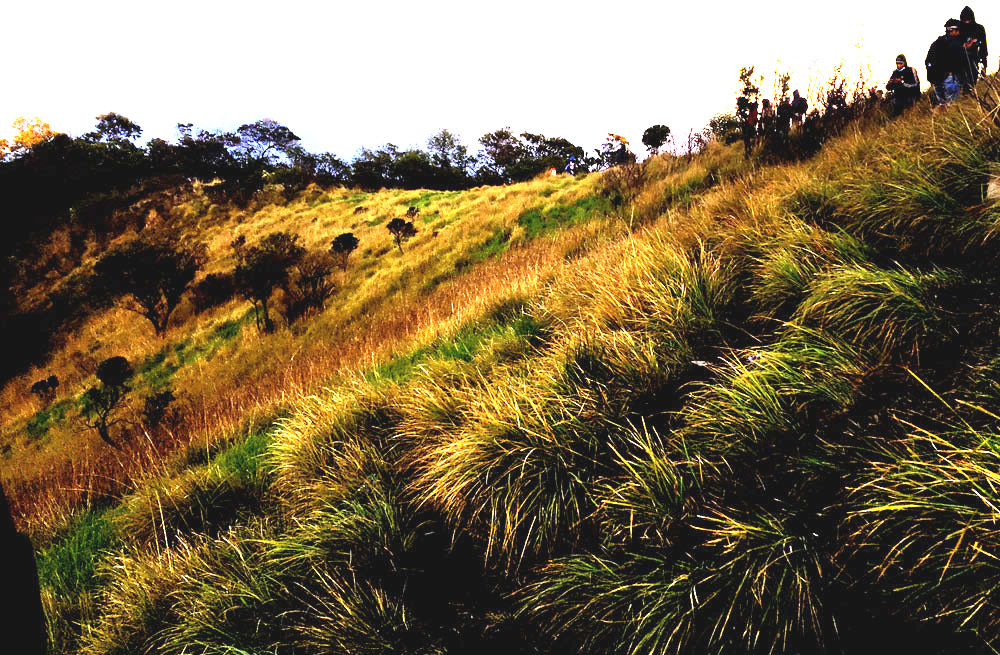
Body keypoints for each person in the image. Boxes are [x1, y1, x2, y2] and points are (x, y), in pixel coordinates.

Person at [926, 19, 967, 105]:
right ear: (953, 30)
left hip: (936, 79)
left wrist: (932, 79)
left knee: (942, 104)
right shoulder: (956, 43)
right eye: (958, 30)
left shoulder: (936, 43)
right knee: (951, 104)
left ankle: (942, 118)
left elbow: (928, 61)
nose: (959, 33)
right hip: (950, 78)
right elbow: (959, 61)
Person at [960, 6, 988, 85]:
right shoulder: (959, 30)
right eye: (965, 20)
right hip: (960, 61)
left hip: (974, 60)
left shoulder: (979, 29)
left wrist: (984, 66)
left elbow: (984, 48)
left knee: (972, 82)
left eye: (969, 20)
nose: (967, 22)